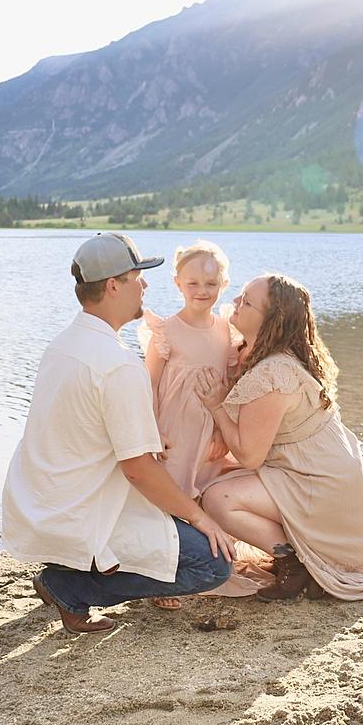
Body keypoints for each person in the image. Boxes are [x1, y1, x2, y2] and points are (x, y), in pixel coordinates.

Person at [2, 232, 236, 634]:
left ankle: (71, 567)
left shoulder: (62, 344)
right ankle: (69, 585)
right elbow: (139, 470)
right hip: (80, 514)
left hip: (39, 504)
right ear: (113, 286)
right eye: (137, 277)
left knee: (170, 522)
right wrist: (201, 518)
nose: (144, 285)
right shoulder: (117, 363)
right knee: (213, 563)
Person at [195, 273, 363, 602]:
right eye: (240, 295)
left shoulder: (274, 372)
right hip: (314, 466)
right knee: (218, 479)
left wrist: (216, 405)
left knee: (219, 499)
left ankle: (293, 562)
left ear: (271, 320)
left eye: (248, 302)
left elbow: (250, 456)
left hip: (319, 480)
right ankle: (298, 553)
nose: (236, 303)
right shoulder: (261, 351)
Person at [137, 241, 240, 610]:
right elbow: (149, 384)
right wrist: (151, 430)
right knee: (170, 497)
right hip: (173, 430)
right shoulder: (167, 330)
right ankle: (160, 576)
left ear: (224, 284)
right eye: (193, 283)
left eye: (211, 284)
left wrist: (222, 431)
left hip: (207, 430)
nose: (202, 291)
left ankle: (194, 563)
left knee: (199, 492)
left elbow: (229, 386)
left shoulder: (226, 331)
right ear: (178, 283)